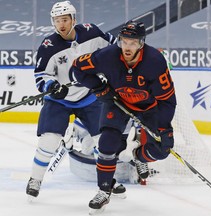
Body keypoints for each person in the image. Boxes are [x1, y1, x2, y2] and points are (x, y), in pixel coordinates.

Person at [70, 20, 176, 213]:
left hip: (149, 108)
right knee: (107, 144)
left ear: (141, 43)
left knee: (162, 150)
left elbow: (167, 100)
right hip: (118, 102)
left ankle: (136, 154)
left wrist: (163, 127)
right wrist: (99, 87)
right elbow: (78, 67)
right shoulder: (108, 55)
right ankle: (103, 190)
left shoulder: (155, 61)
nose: (127, 47)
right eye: (124, 41)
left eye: (133, 42)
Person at [26, 1, 126, 201]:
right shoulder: (49, 46)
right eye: (57, 20)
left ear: (74, 19)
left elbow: (116, 47)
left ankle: (109, 181)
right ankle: (35, 179)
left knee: (103, 142)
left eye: (65, 19)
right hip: (59, 101)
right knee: (49, 140)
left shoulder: (92, 33)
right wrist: (51, 87)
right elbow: (41, 75)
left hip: (90, 96)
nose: (61, 24)